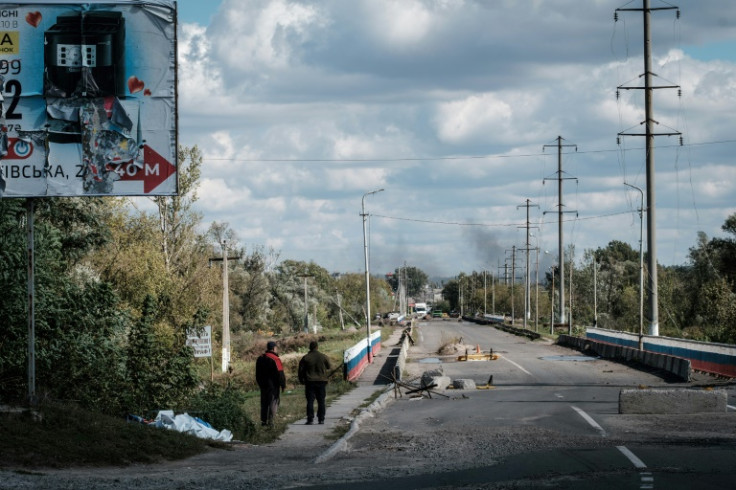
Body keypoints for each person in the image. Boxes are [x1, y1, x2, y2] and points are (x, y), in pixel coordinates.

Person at [298, 341, 332, 425]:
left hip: (309, 382)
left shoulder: (305, 358)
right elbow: (329, 366)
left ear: (310, 347)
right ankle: (321, 419)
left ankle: (310, 419)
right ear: (317, 347)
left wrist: (301, 380)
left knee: (310, 401)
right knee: (321, 401)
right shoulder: (323, 356)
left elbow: (300, 371)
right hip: (321, 381)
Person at [255, 341, 286, 427]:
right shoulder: (275, 359)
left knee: (264, 403)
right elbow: (280, 373)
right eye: (276, 348)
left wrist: (260, 383)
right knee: (273, 402)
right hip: (273, 386)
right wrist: (283, 385)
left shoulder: (260, 358)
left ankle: (263, 422)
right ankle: (271, 421)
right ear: (273, 348)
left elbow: (257, 374)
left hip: (263, 385)